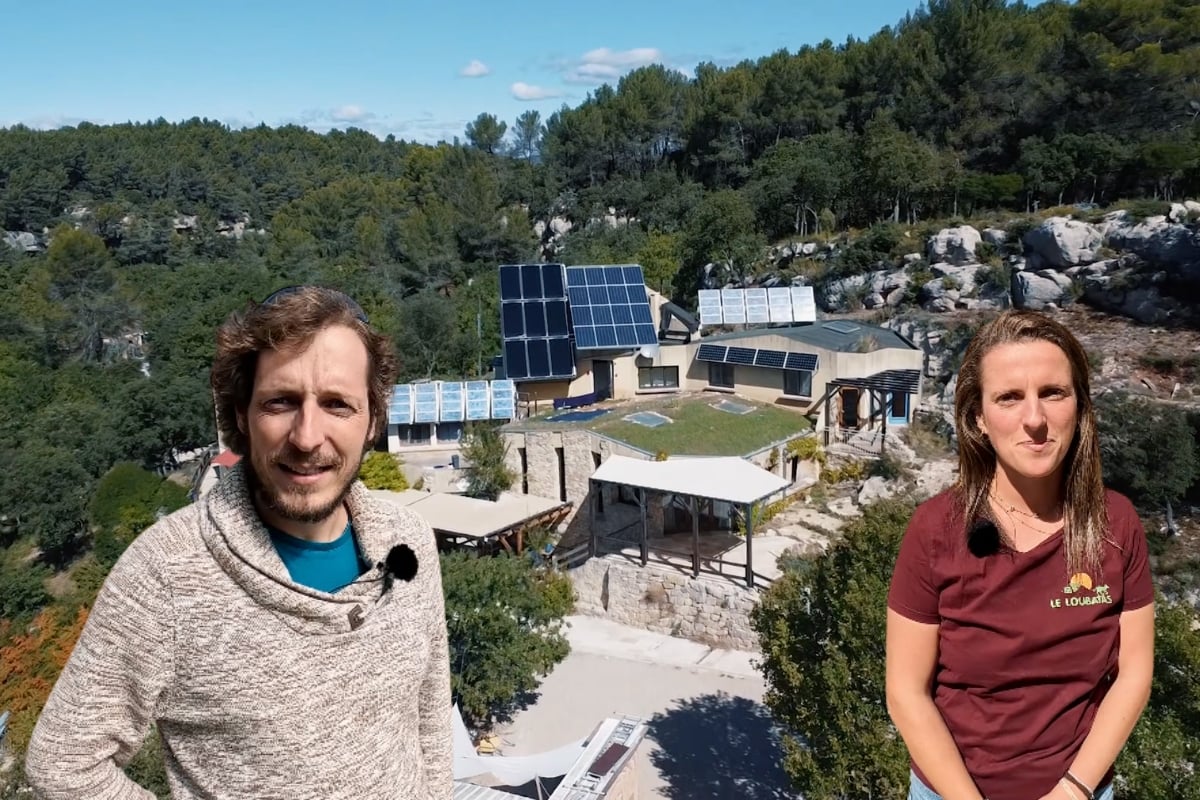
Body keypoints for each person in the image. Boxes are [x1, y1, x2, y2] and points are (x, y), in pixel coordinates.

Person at [26, 286, 453, 799]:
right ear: (242, 418)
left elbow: (429, 715)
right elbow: (62, 765)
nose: (307, 436)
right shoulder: (167, 575)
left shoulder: (410, 543)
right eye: (281, 402)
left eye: (338, 404)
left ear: (373, 422)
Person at [886, 310, 1154, 800]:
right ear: (978, 419)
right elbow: (905, 693)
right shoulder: (934, 531)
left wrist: (1074, 790)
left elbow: (1134, 673)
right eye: (1009, 398)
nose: (1035, 419)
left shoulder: (1117, 524)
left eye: (1053, 392)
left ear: (1080, 405)